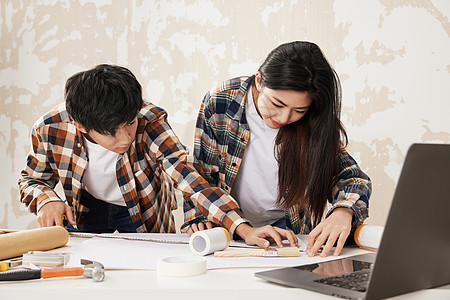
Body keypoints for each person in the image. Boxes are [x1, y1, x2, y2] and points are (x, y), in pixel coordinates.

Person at [182, 41, 372, 257]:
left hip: (288, 233)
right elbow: (199, 174)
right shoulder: (221, 101)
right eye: (277, 104)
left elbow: (352, 178)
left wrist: (344, 210)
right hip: (226, 229)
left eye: (298, 109)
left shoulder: (314, 119)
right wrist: (198, 216)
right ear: (260, 80)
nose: (283, 118)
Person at [18, 64, 257, 235]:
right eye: (111, 132)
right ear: (80, 126)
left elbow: (188, 177)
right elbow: (31, 179)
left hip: (143, 211)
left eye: (130, 123)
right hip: (84, 207)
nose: (125, 139)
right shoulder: (50, 128)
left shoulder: (149, 120)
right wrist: (45, 199)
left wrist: (242, 228)